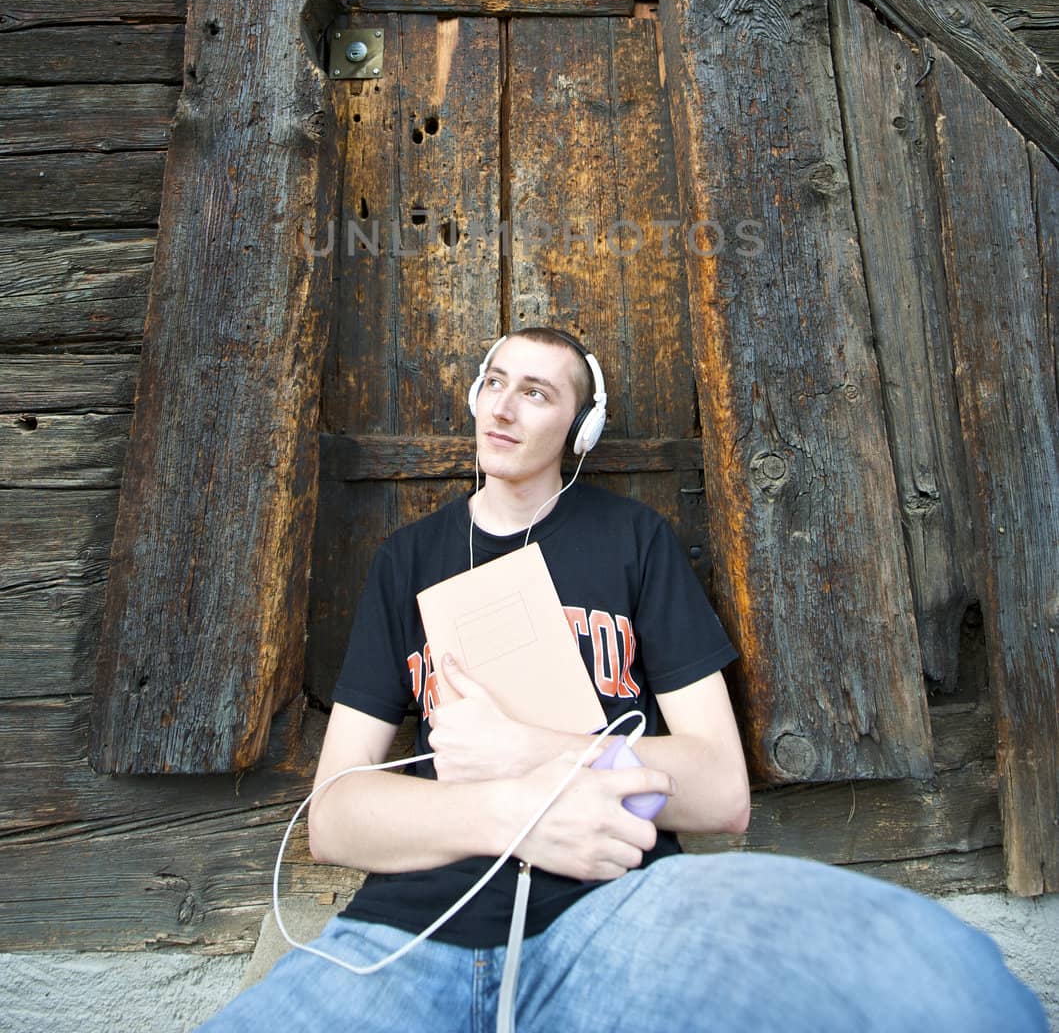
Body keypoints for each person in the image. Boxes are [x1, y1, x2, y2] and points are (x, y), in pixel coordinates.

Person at [199, 327, 1046, 1033]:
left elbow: (719, 791)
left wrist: (528, 748)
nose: (502, 404)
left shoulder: (633, 540)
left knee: (929, 982)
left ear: (580, 429)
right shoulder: (406, 561)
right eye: (494, 381)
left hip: (618, 910)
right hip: (410, 925)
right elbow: (337, 817)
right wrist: (517, 815)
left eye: (536, 392)